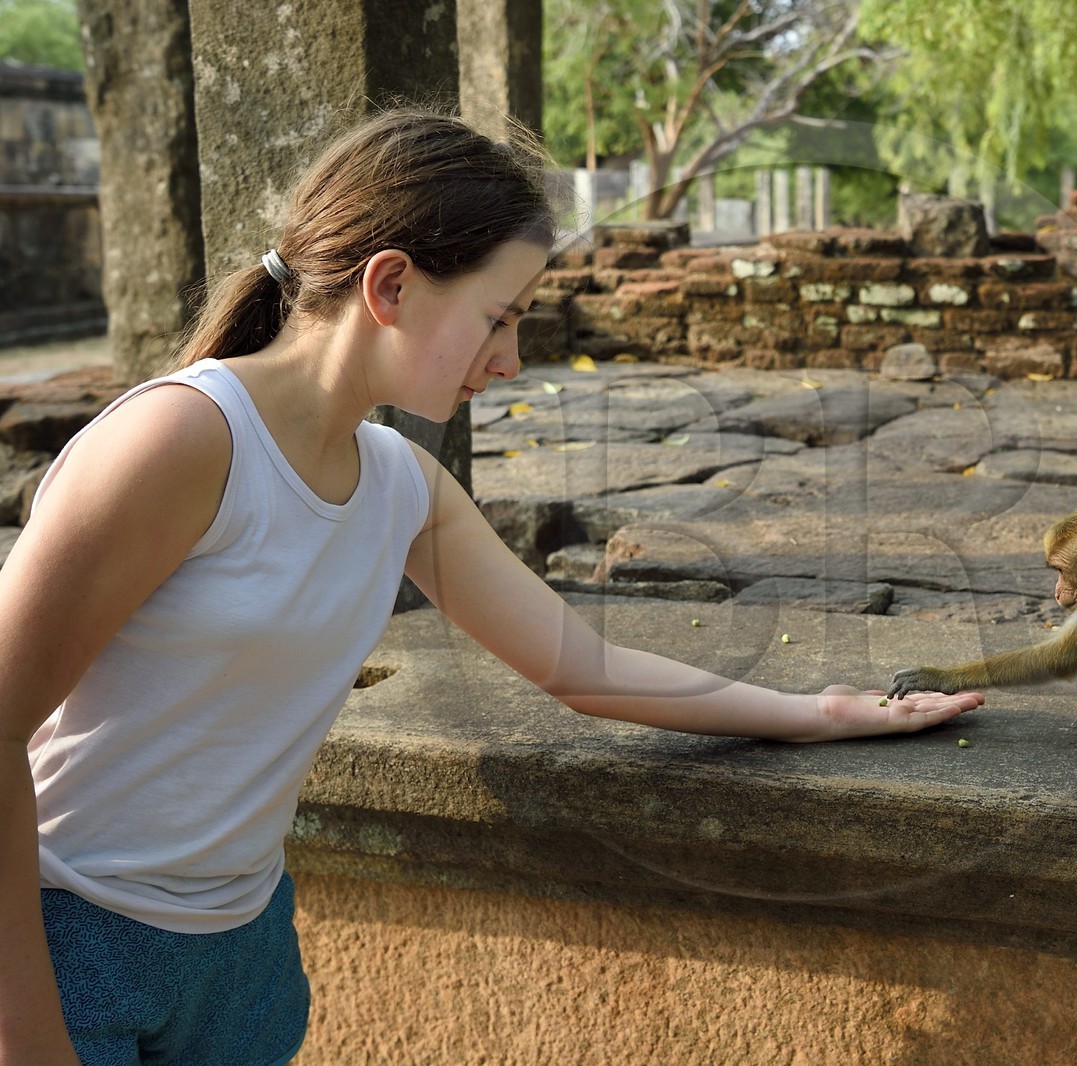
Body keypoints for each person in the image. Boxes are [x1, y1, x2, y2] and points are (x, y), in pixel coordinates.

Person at [0, 109, 982, 1065]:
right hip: (68, 943)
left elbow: (582, 667)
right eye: (497, 318)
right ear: (391, 283)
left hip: (243, 954)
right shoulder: (179, 441)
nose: (509, 359)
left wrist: (819, 711)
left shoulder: (400, 486)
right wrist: (28, 1036)